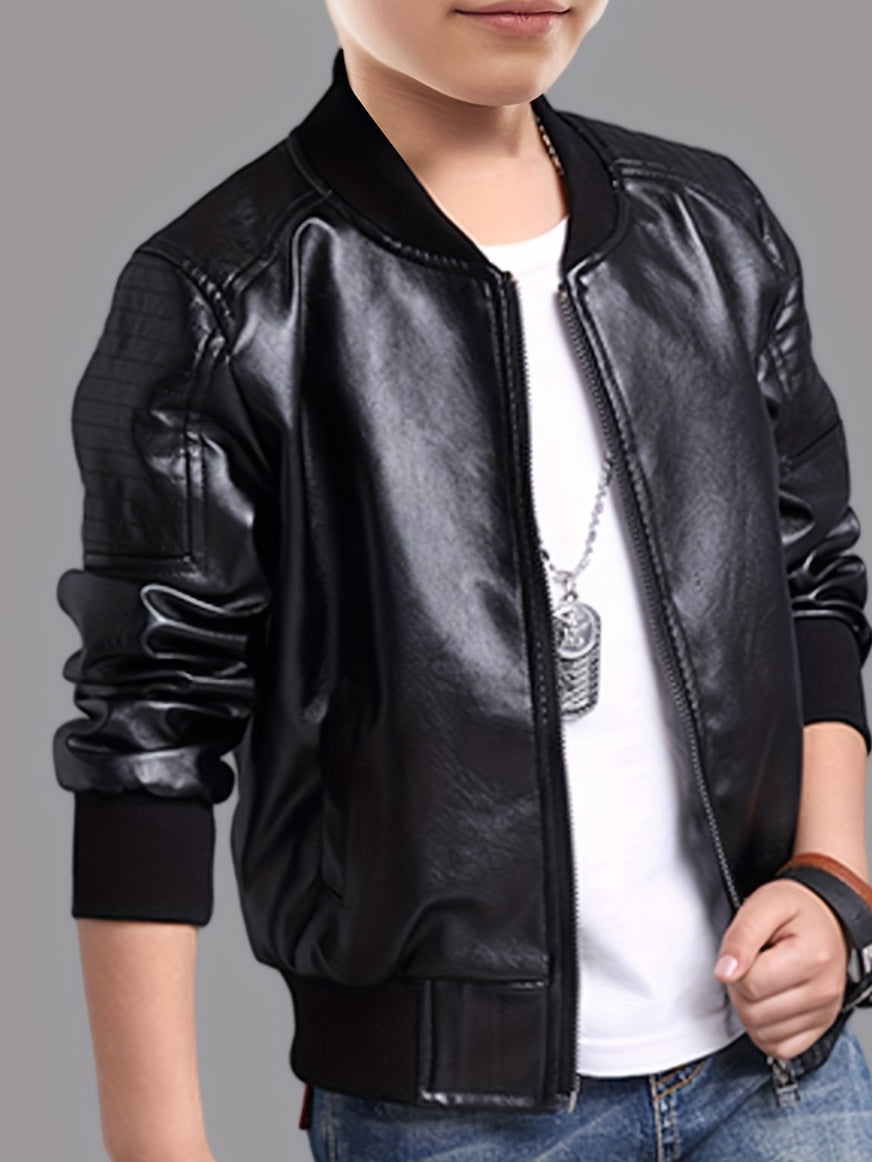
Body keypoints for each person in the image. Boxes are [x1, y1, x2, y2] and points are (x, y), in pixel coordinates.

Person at [54, 1, 872, 1159]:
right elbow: (147, 741)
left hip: (781, 1078)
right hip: (446, 1119)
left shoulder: (712, 226)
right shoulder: (220, 298)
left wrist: (832, 881)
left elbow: (811, 582)